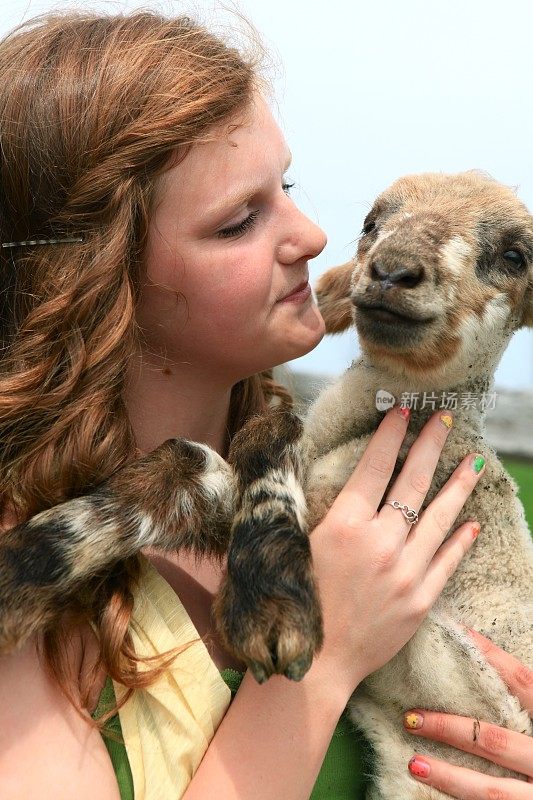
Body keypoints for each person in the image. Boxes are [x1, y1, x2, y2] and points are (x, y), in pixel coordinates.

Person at [0, 10, 530, 800]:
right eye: (240, 221)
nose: (316, 237)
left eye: (284, 186)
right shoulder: (29, 579)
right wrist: (330, 654)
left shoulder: (407, 513)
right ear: (98, 281)